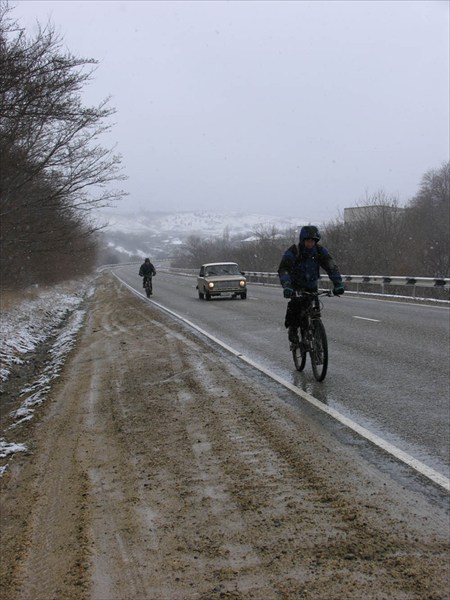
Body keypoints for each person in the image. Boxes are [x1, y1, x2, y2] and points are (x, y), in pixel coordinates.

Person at [277, 225, 344, 345]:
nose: (310, 243)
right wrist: (287, 285)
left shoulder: (319, 251)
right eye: (308, 240)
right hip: (296, 285)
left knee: (315, 311)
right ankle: (293, 329)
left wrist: (338, 284)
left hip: (312, 285)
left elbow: (331, 267)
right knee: (296, 307)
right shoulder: (294, 251)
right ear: (303, 240)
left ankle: (316, 338)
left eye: (313, 241)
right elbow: (284, 269)